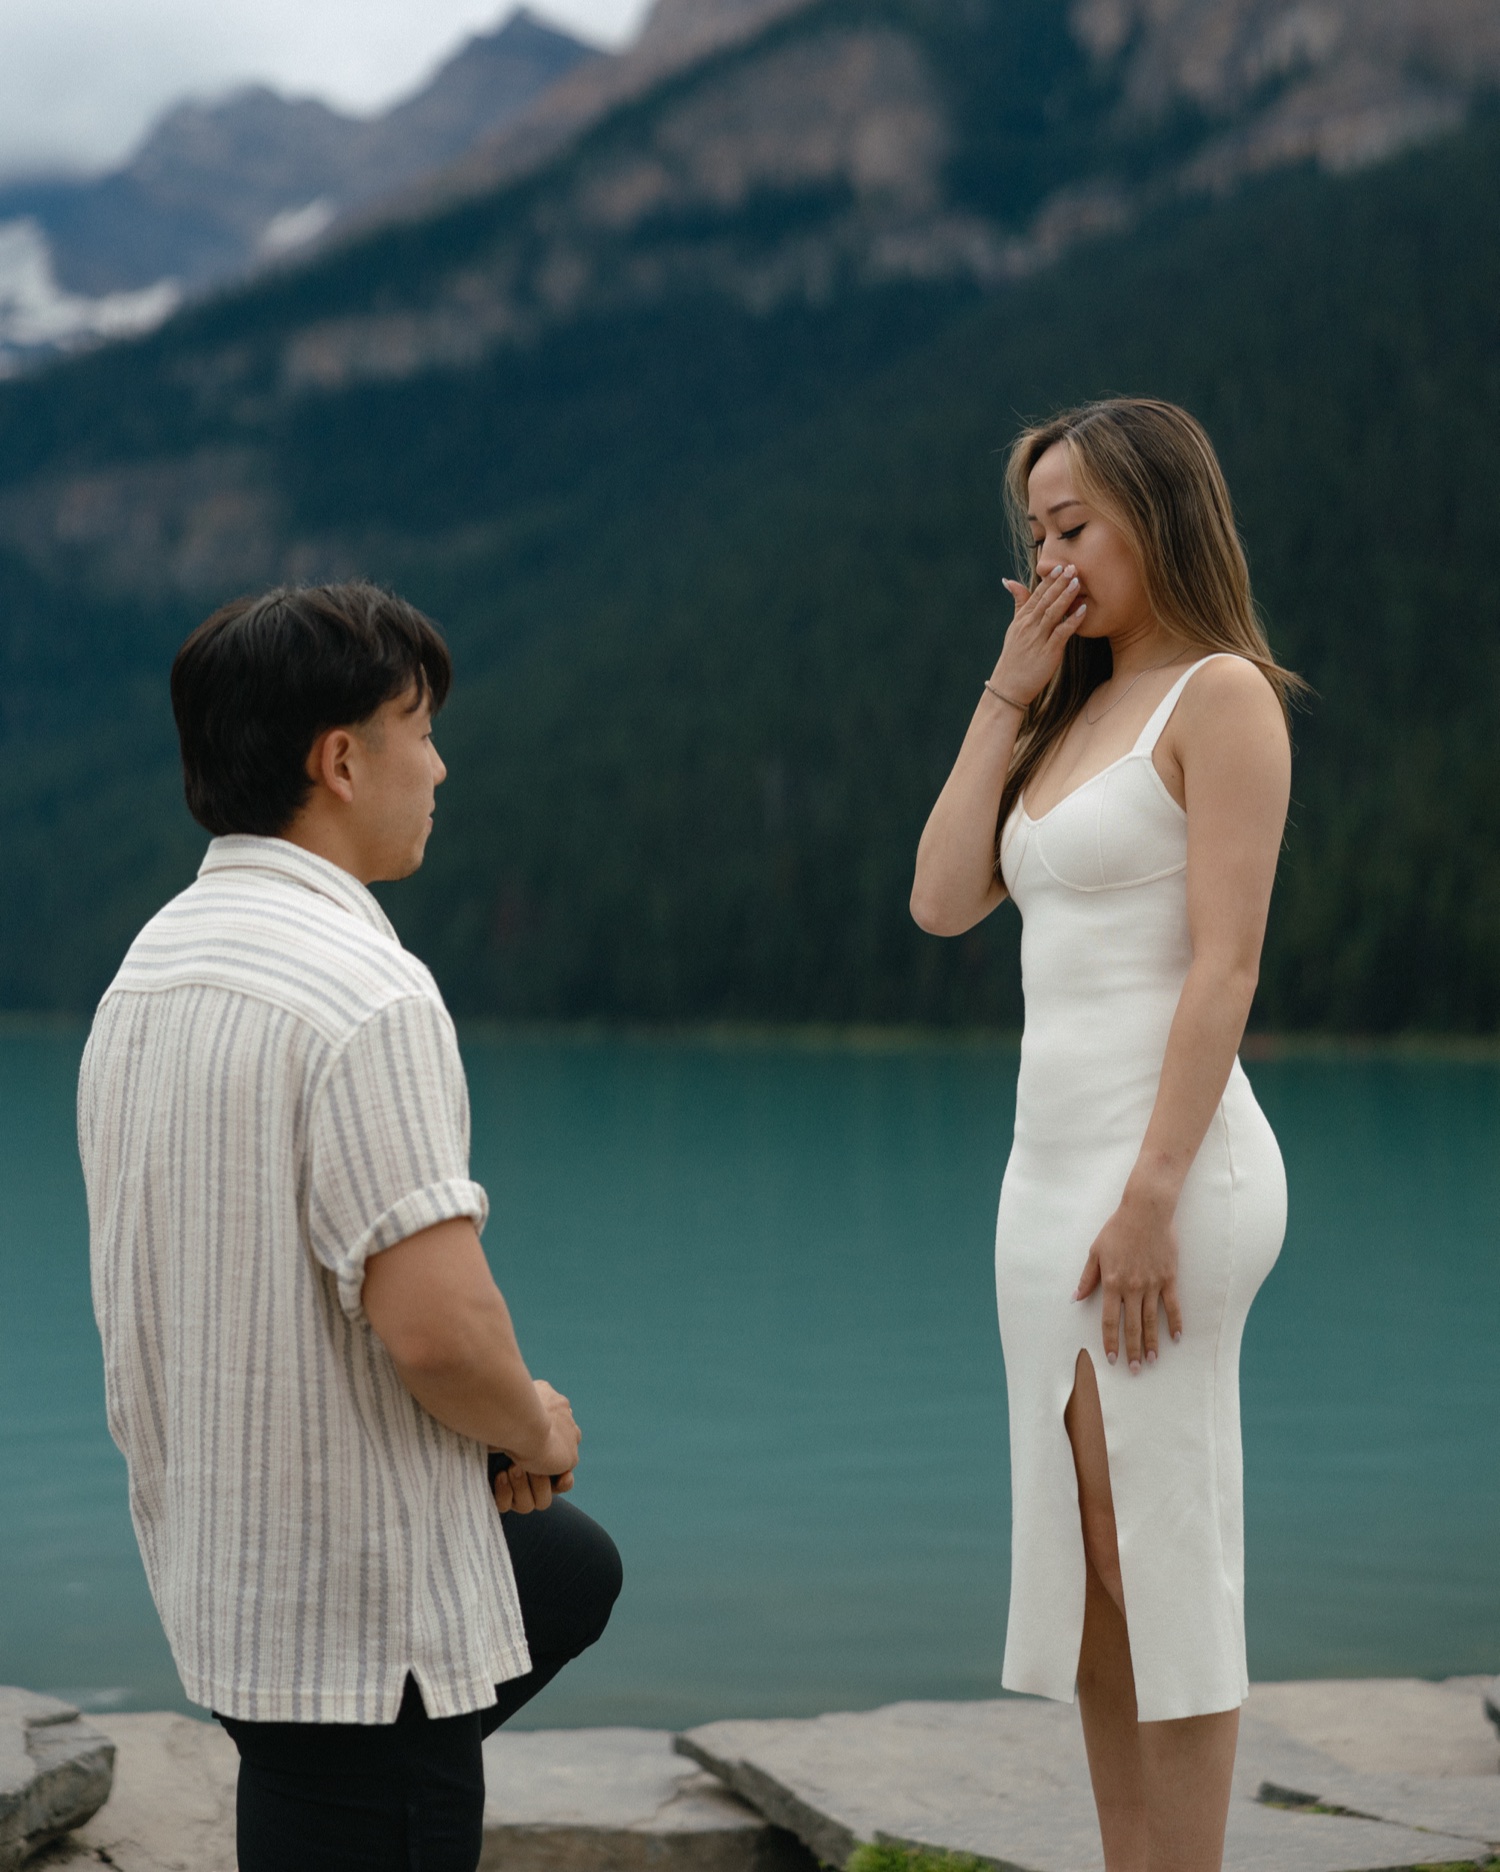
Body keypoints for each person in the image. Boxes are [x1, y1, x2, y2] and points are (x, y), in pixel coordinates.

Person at [78, 582, 622, 1872]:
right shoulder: (366, 995)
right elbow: (437, 1333)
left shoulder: (152, 963)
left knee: (566, 1566)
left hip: (228, 1569)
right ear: (340, 759)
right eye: (420, 728)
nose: (440, 765)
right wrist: (530, 1425)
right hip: (366, 1614)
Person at [910, 399, 1298, 1871]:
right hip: (1045, 1182)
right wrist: (1008, 692)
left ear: (1159, 514)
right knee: (1086, 1560)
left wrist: (1149, 1195)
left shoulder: (1223, 697)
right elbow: (944, 898)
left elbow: (1227, 967)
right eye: (1035, 537)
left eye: (1074, 527)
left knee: (1157, 1551)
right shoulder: (1068, 712)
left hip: (1172, 1174)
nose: (1050, 559)